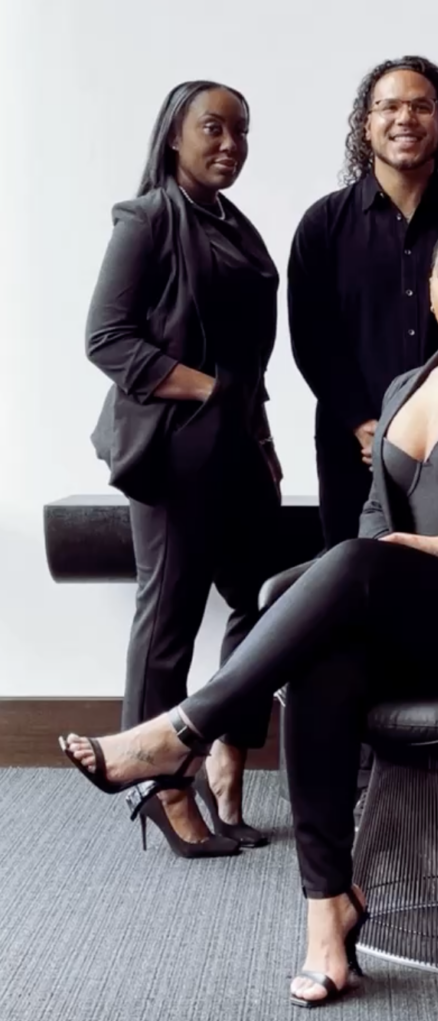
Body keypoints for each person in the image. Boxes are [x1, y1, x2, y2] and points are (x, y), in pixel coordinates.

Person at [63, 222, 438, 1006]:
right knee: (319, 659)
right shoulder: (402, 388)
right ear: (429, 292)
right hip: (413, 621)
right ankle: (327, 913)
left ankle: (181, 731)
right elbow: (376, 518)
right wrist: (387, 560)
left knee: (349, 563)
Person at [85, 80, 283, 858]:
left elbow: (250, 360)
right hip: (173, 454)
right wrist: (208, 390)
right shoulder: (147, 220)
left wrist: (259, 436)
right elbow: (107, 338)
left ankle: (226, 756)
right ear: (175, 134)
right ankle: (160, 788)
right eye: (213, 127)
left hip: (237, 450)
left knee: (264, 606)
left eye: (241, 130)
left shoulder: (233, 225)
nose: (230, 143)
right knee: (166, 619)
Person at [288, 54, 438, 549]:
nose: (405, 118)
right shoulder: (322, 226)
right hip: (351, 449)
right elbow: (311, 339)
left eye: (421, 106)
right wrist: (362, 424)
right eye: (389, 106)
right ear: (366, 124)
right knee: (352, 578)